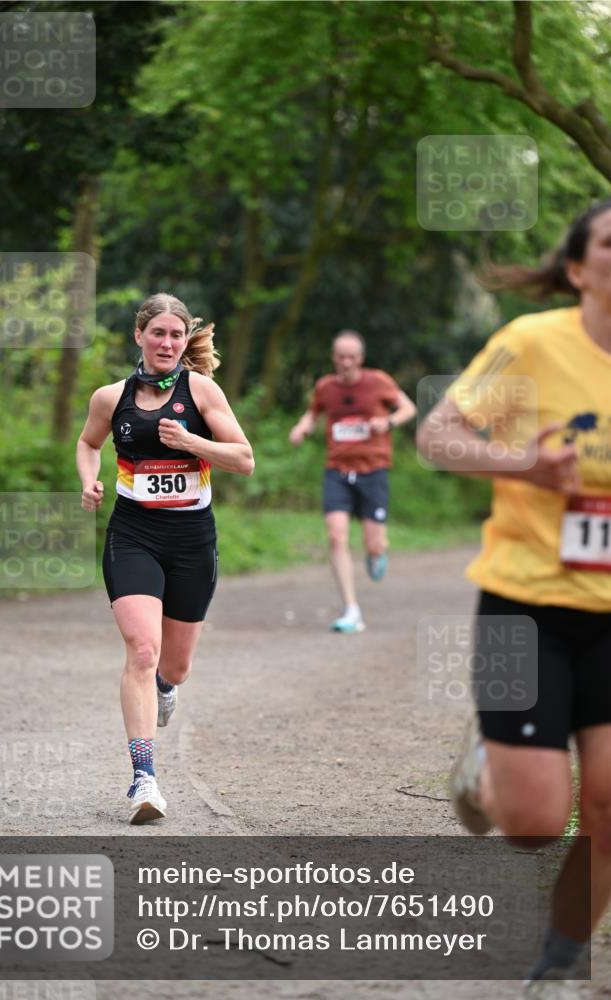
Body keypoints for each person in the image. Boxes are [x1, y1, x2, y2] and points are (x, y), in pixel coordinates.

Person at [417, 200, 611, 997]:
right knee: (534, 826)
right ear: (576, 269)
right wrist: (522, 466)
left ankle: (557, 965)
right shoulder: (529, 344)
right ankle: (483, 771)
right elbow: (435, 437)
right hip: (518, 604)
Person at [77, 293, 254, 824]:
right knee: (141, 648)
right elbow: (88, 443)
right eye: (158, 334)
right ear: (140, 336)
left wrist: (193, 441)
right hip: (133, 533)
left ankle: (165, 689)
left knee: (173, 665)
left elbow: (244, 460)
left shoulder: (202, 391)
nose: (168, 343)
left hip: (191, 540)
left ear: (184, 340)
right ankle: (144, 779)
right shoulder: (112, 397)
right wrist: (90, 480)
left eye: (177, 335)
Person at [289, 329, 416, 632]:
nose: (345, 362)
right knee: (336, 536)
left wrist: (387, 423)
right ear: (334, 358)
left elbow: (408, 408)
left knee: (374, 543)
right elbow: (312, 414)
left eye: (351, 357)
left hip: (373, 469)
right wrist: (301, 427)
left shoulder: (378, 382)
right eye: (340, 356)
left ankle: (377, 551)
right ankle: (351, 609)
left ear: (360, 359)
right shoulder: (325, 387)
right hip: (337, 470)